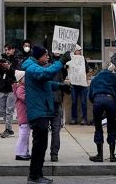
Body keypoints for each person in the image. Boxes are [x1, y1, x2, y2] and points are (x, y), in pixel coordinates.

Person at [23, 46, 67, 184]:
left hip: (42, 110)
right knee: (39, 145)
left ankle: (37, 174)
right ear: (38, 56)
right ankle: (34, 176)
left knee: (41, 145)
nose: (47, 57)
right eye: (45, 55)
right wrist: (60, 62)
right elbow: (45, 74)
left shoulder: (34, 66)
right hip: (38, 111)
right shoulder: (32, 67)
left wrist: (59, 86)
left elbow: (45, 83)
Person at [87, 61, 116, 162]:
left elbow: (90, 95)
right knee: (111, 127)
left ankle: (99, 155)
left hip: (97, 100)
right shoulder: (115, 78)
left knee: (98, 128)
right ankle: (112, 155)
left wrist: (95, 101)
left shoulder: (96, 78)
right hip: (110, 100)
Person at [0, 51, 18, 137]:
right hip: (2, 88)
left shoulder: (16, 60)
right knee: (2, 109)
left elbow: (16, 74)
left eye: (9, 49)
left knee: (9, 110)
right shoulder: (2, 61)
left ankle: (8, 129)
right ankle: (8, 128)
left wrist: (9, 67)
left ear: (13, 50)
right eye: (6, 49)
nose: (7, 51)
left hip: (11, 89)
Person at [66, 48, 89, 126]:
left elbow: (87, 69)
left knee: (83, 102)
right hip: (74, 84)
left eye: (79, 50)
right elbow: (66, 68)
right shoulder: (70, 60)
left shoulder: (83, 60)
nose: (78, 51)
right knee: (74, 102)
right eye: (77, 50)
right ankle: (74, 118)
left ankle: (84, 118)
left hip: (82, 84)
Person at [13, 71, 31, 161]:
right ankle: (20, 153)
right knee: (24, 134)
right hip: (24, 114)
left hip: (24, 113)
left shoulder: (22, 87)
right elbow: (26, 98)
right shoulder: (20, 88)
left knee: (25, 134)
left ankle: (25, 152)